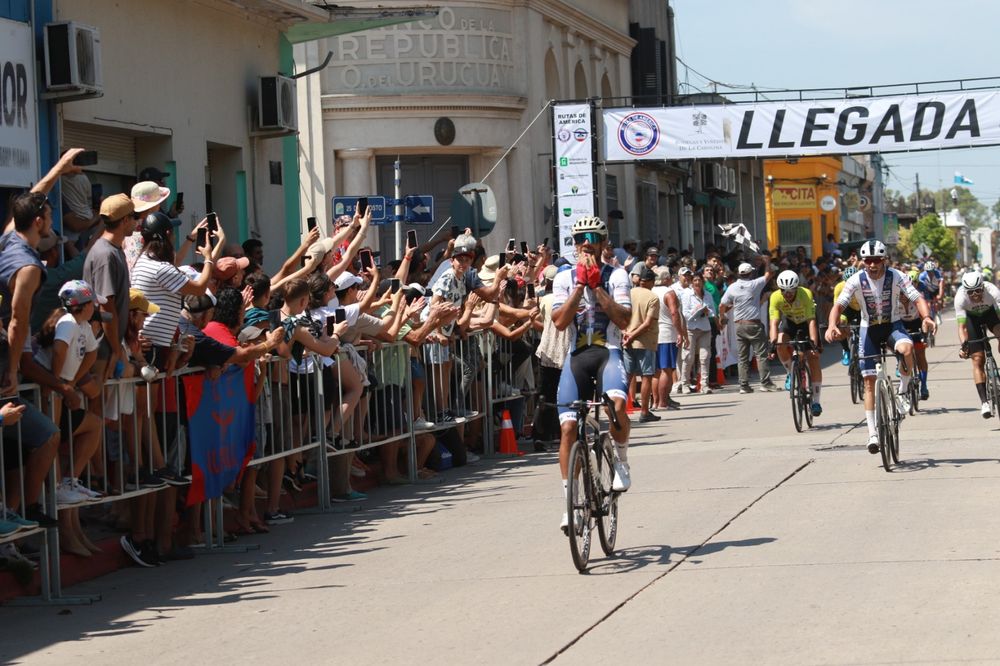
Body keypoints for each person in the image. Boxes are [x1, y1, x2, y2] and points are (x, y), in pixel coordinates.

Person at [551, 216, 632, 532]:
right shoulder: (563, 278)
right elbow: (559, 323)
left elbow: (624, 320)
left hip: (607, 353)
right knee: (569, 428)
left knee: (617, 405)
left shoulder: (618, 275)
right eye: (580, 239)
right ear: (574, 245)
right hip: (576, 358)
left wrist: (597, 286)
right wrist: (581, 284)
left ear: (602, 244)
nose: (585, 243)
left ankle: (621, 460)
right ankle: (570, 503)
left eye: (592, 238)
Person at [826, 240, 935, 453]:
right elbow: (839, 305)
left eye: (877, 260)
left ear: (884, 260)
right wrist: (832, 325)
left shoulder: (897, 276)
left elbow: (917, 297)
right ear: (863, 261)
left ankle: (903, 392)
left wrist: (927, 317)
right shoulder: (856, 279)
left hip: (892, 325)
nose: (873, 265)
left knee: (907, 350)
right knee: (868, 383)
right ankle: (873, 434)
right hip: (869, 330)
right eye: (868, 260)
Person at [770, 271, 823, 415]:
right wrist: (772, 345)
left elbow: (811, 321)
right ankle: (789, 372)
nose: (787, 294)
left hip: (806, 324)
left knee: (813, 357)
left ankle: (816, 401)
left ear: (796, 288)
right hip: (789, 323)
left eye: (791, 290)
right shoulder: (775, 297)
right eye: (784, 291)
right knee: (780, 343)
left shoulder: (805, 294)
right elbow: (774, 323)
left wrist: (813, 344)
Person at [718, 258, 775, 393]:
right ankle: (765, 383)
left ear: (739, 273)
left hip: (739, 325)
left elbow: (722, 304)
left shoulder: (732, 287)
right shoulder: (755, 284)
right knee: (761, 354)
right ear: (750, 274)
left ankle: (743, 385)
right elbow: (769, 274)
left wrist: (722, 317)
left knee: (742, 357)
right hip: (753, 324)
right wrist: (766, 262)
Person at [953, 271, 1000, 417]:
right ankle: (984, 403)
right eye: (970, 292)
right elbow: (962, 327)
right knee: (977, 359)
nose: (974, 295)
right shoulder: (960, 298)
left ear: (983, 287)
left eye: (978, 291)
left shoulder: (993, 291)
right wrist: (964, 346)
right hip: (972, 319)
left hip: (990, 314)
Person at [622, 266, 660, 422]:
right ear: (649, 282)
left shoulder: (627, 294)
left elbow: (619, 315)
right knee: (646, 376)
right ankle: (644, 412)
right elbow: (648, 323)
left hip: (626, 341)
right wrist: (633, 335)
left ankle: (621, 410)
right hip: (645, 342)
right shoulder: (652, 297)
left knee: (627, 376)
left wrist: (626, 333)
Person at [650, 266, 685, 409]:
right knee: (667, 369)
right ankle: (663, 402)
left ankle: (657, 401)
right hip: (666, 334)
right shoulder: (669, 293)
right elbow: (674, 313)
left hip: (653, 334)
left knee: (656, 371)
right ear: (666, 279)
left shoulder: (651, 291)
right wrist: (679, 332)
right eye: (670, 276)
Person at [680, 273, 717, 394]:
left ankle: (704, 385)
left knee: (705, 356)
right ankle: (685, 383)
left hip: (705, 328)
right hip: (691, 328)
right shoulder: (686, 294)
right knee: (688, 357)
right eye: (695, 280)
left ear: (702, 282)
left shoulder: (707, 294)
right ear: (691, 282)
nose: (697, 283)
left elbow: (713, 311)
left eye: (699, 280)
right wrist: (697, 311)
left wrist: (707, 311)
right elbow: (685, 313)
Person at [832, 265, 862, 366]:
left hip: (861, 308)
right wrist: (835, 324)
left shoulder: (863, 284)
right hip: (847, 308)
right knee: (841, 323)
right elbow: (837, 307)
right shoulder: (839, 287)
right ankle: (846, 350)